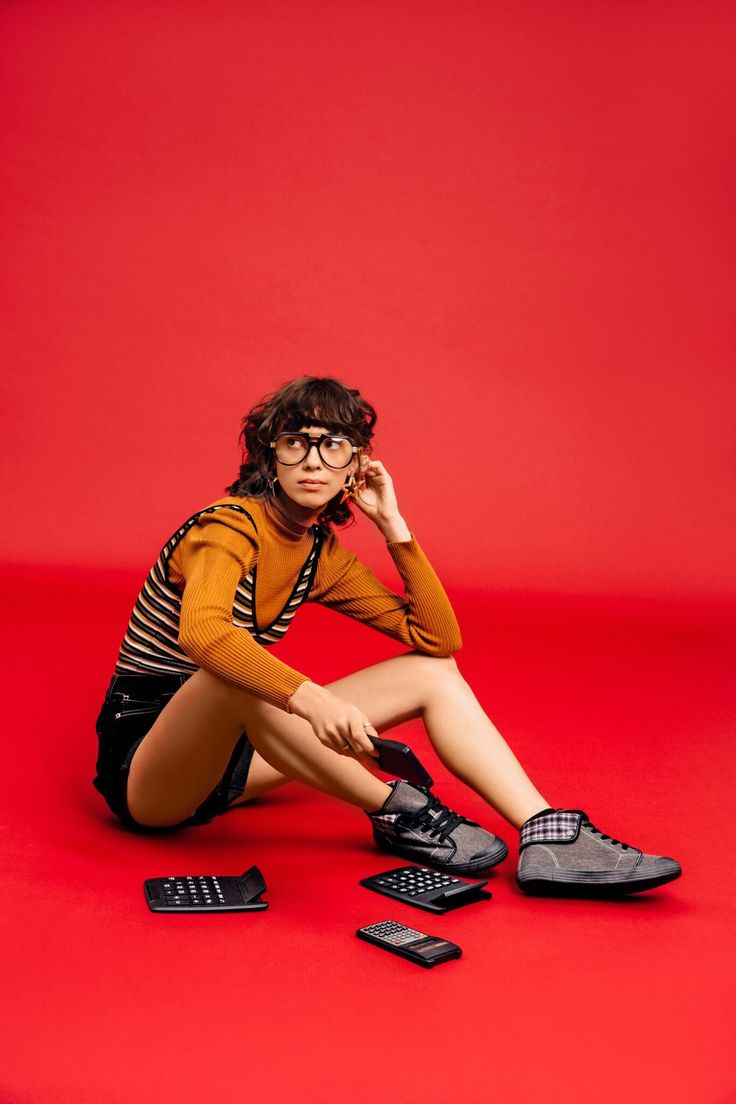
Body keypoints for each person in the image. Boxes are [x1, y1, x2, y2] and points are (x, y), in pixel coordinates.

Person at [92, 375, 681, 897]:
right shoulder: (227, 528)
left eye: (334, 445)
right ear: (270, 457)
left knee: (432, 675)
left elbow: (436, 637)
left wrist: (394, 526)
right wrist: (314, 699)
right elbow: (205, 635)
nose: (314, 461)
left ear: (356, 465)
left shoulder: (317, 553)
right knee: (225, 675)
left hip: (235, 763)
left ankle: (548, 834)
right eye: (296, 442)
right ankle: (400, 810)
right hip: (150, 765)